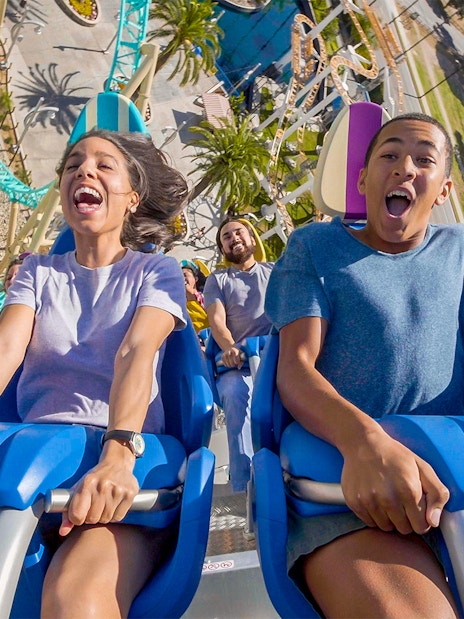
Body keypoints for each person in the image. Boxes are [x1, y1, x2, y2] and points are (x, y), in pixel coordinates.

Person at [265, 113, 461, 617]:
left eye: (424, 160)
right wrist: (366, 444)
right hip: (347, 493)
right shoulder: (314, 248)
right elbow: (296, 369)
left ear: (443, 189)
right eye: (389, 156)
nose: (405, 169)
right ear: (362, 179)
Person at [0, 128, 189, 617]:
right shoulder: (36, 272)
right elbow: (5, 348)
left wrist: (118, 454)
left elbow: (136, 352)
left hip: (119, 464)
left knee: (74, 600)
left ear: (133, 197)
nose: (85, 170)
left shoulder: (156, 272)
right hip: (34, 455)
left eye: (105, 165)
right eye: (73, 164)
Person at [204, 217, 273, 492]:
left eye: (238, 233)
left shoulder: (275, 272)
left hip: (274, 361)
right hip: (239, 364)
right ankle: (244, 485)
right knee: (235, 394)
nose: (234, 238)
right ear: (223, 249)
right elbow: (217, 321)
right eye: (226, 237)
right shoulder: (218, 280)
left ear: (252, 240)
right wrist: (230, 347)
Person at [180, 258, 209, 333]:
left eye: (185, 275)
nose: (182, 278)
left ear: (195, 279)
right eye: (179, 276)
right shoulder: (179, 306)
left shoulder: (206, 298)